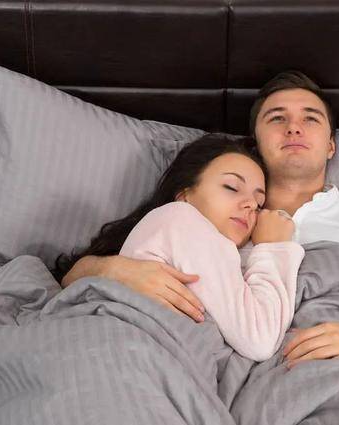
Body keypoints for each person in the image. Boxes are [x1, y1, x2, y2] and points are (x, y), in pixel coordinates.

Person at [60, 71, 339, 369]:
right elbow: (78, 276)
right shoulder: (222, 218)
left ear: (331, 145)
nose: (294, 127)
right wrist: (115, 270)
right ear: (255, 143)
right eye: (276, 118)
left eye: (311, 118)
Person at [54, 134, 304, 360]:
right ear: (184, 195)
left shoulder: (189, 240)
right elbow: (259, 339)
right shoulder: (183, 218)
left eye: (259, 203)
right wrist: (273, 247)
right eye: (231, 187)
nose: (250, 204)